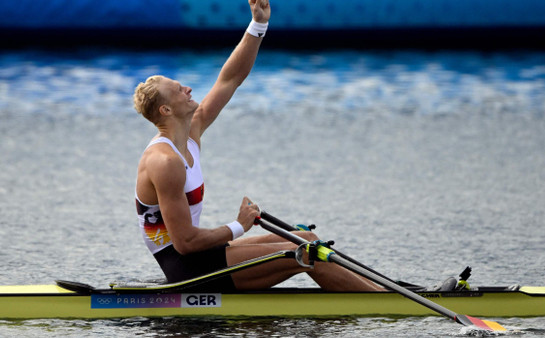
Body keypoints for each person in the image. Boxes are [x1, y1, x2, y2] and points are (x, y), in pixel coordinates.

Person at [132, 0, 384, 292]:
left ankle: (385, 294)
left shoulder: (191, 132)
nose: (187, 88)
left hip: (204, 256)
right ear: (165, 111)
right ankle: (388, 304)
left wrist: (258, 24)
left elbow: (230, 78)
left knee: (310, 241)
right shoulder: (164, 161)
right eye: (178, 90)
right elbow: (186, 243)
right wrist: (239, 225)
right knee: (308, 253)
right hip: (188, 268)